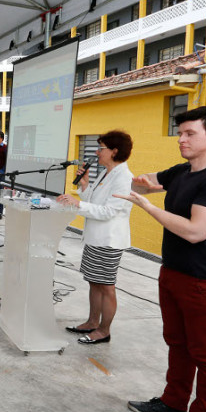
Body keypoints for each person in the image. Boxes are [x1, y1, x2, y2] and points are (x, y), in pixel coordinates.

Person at [118, 107, 206, 412]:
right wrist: (118, 176)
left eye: (189, 133)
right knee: (177, 341)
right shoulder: (183, 171)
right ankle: (173, 402)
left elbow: (194, 231)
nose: (181, 139)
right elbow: (144, 181)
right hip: (173, 273)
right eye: (180, 133)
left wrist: (148, 207)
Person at [57, 130, 134, 345]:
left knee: (106, 286)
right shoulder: (106, 172)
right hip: (95, 238)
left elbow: (108, 211)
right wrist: (84, 186)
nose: (97, 152)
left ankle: (104, 330)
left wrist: (77, 204)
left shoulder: (124, 178)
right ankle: (92, 322)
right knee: (94, 282)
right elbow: (94, 200)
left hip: (109, 241)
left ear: (114, 151)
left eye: (101, 148)